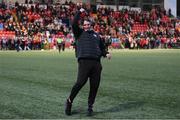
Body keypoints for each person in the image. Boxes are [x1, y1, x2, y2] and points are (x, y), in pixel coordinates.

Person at [65, 8, 112, 116]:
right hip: (84, 62)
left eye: (87, 24)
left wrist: (106, 53)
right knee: (80, 83)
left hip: (96, 63)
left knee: (94, 86)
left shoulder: (97, 36)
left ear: (91, 25)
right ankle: (69, 101)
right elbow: (73, 23)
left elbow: (102, 48)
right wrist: (79, 12)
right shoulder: (79, 33)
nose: (86, 26)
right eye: (84, 24)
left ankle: (90, 107)